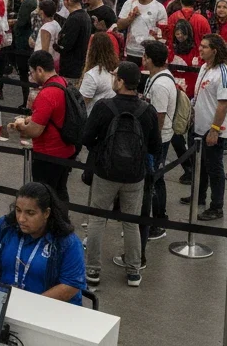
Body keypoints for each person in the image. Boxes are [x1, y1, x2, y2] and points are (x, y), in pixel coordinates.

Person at [81, 61, 160, 289]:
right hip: (135, 175)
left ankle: (93, 270)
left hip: (105, 172)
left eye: (115, 76)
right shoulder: (147, 111)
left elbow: (86, 138)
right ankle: (133, 270)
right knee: (131, 222)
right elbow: (154, 146)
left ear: (122, 81)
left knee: (97, 219)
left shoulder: (104, 107)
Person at [0, 181, 86, 304]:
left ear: (46, 213)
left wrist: (30, 305)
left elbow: (70, 285)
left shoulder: (68, 242)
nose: (21, 219)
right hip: (7, 303)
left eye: (30, 213)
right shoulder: (5, 225)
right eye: (18, 210)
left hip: (49, 309)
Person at [9, 51, 76, 203]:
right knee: (60, 191)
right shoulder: (62, 82)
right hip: (66, 149)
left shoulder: (46, 94)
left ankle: (51, 224)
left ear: (39, 69)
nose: (31, 76)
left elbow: (34, 131)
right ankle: (62, 222)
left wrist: (20, 126)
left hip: (48, 154)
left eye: (31, 72)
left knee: (45, 196)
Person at [183, 34, 227, 221]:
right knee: (200, 165)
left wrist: (214, 129)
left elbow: (223, 104)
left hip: (214, 130)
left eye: (205, 47)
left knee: (214, 168)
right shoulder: (205, 67)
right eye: (201, 45)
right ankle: (200, 195)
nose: (200, 49)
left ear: (215, 50)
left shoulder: (224, 74)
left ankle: (216, 206)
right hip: (199, 126)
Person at [140, 41, 177, 244]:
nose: (142, 59)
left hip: (158, 140)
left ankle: (158, 222)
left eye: (145, 56)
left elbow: (159, 118)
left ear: (151, 59)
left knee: (155, 180)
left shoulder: (161, 85)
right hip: (158, 139)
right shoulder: (157, 78)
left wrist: (150, 143)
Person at [54, 0, 91, 80]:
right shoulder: (85, 16)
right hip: (80, 65)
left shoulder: (74, 19)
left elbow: (65, 45)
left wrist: (57, 44)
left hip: (70, 68)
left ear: (67, 0)